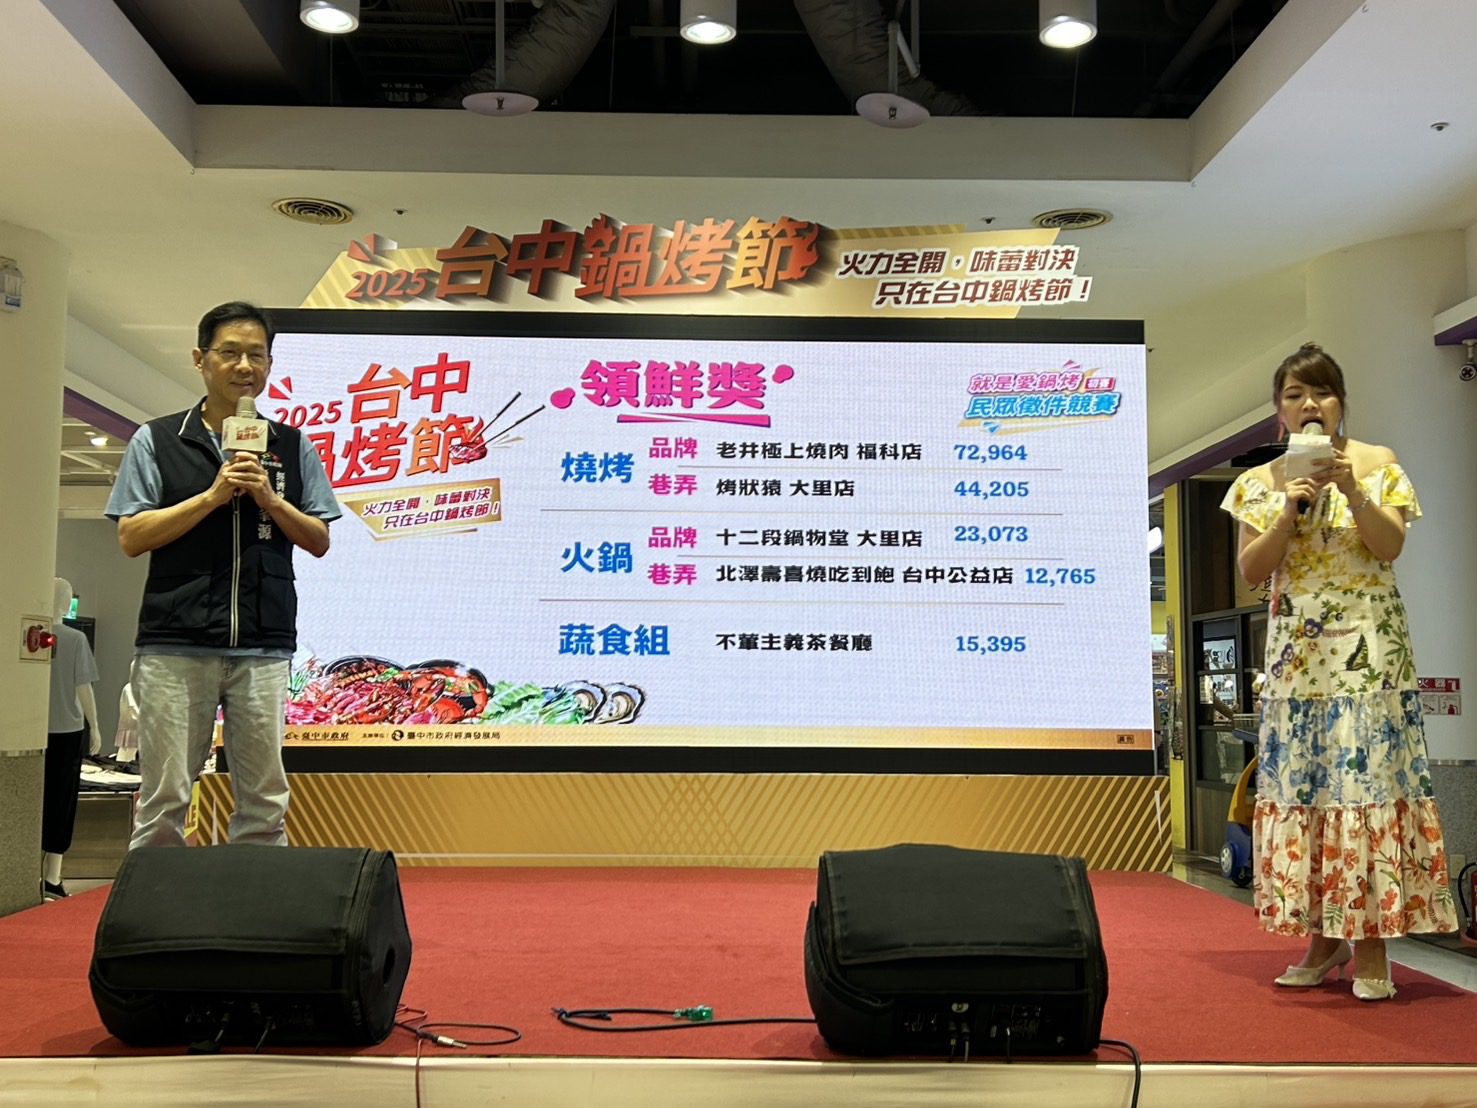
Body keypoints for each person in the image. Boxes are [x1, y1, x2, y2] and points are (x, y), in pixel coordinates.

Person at [1220, 342, 1458, 1001]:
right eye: (1294, 394)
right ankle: (1322, 939)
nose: (1309, 403)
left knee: (1366, 790)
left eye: (1321, 392)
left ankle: (1372, 942)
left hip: (1369, 658)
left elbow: (1389, 546)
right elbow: (1251, 570)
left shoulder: (1378, 463)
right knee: (1309, 794)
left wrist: (1351, 490)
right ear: (1279, 412)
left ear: (1340, 403)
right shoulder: (1259, 483)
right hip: (1298, 662)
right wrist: (1287, 511)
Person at [105, 302, 341, 849]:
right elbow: (132, 536)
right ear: (200, 359)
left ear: (269, 364)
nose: (244, 367)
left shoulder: (291, 444)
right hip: (175, 643)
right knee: (165, 796)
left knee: (264, 800)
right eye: (230, 353)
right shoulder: (158, 439)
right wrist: (212, 497)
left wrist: (269, 499)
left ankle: (257, 901)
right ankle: (157, 900)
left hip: (263, 645)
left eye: (256, 355)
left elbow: (319, 539)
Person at [42, 578, 101, 899]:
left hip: (35, 731)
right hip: (67, 730)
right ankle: (52, 875)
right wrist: (96, 726)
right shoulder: (76, 639)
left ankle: (28, 870)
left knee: (36, 799)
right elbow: (83, 686)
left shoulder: (30, 636)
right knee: (62, 802)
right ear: (66, 603)